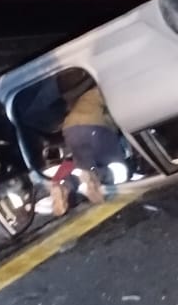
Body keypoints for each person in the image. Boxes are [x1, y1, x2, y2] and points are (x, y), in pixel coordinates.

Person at [49, 82, 126, 216]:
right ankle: (94, 176)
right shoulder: (110, 85)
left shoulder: (84, 97)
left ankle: (66, 186)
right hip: (95, 126)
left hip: (70, 130)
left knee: (84, 168)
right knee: (120, 170)